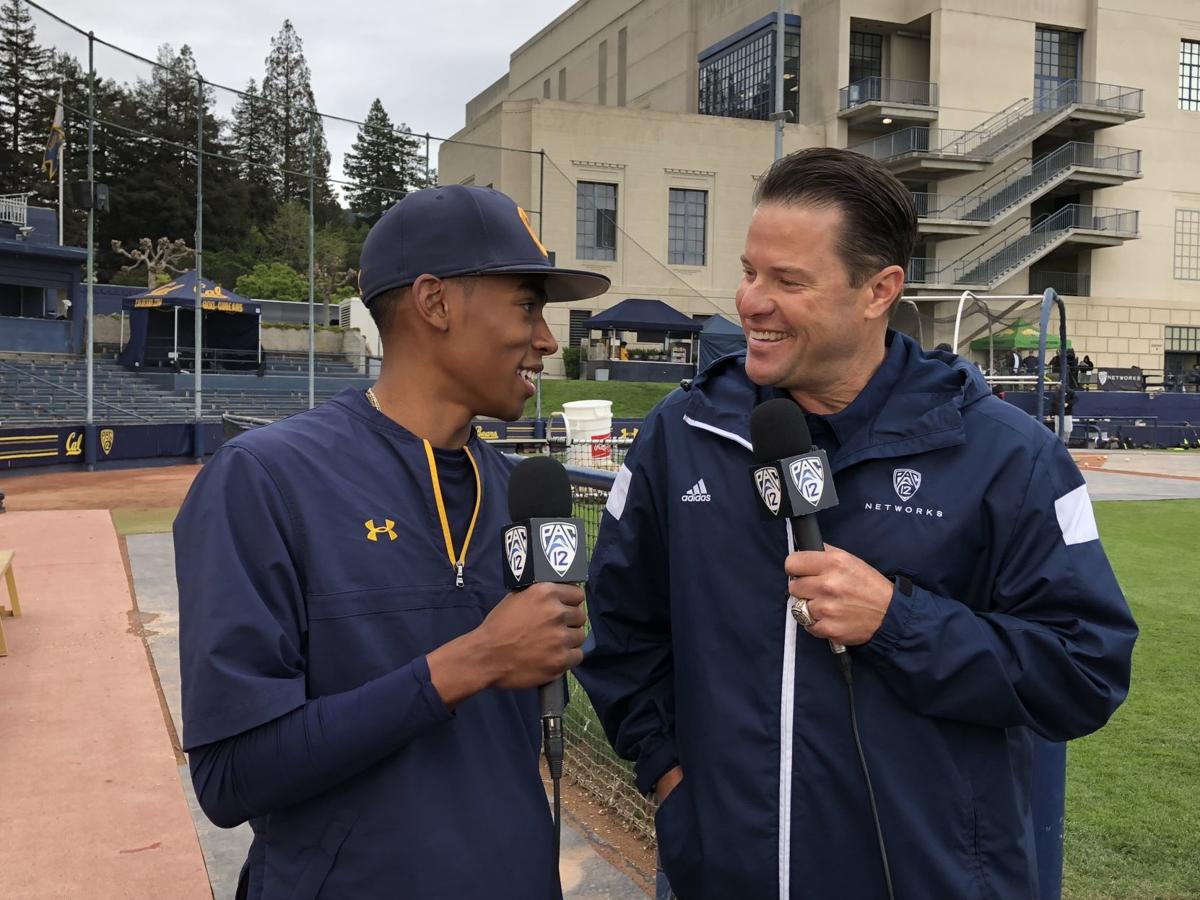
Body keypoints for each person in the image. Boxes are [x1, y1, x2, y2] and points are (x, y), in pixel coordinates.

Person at [576, 148, 1137, 899]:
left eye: (788, 281)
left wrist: (898, 623)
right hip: (723, 872)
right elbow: (622, 630)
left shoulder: (1009, 455)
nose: (750, 302)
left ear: (879, 291)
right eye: (749, 271)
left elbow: (1085, 669)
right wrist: (672, 778)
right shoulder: (684, 435)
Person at [175, 185, 611, 899]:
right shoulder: (265, 479)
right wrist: (470, 662)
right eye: (528, 306)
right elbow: (230, 777)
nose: (547, 339)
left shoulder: (520, 489)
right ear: (436, 303)